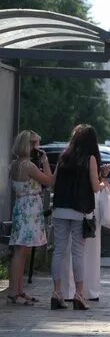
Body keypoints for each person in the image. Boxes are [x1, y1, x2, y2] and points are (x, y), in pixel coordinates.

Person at [50, 124, 110, 311]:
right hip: (79, 211)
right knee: (78, 252)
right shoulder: (90, 159)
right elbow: (94, 187)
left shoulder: (63, 157)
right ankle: (79, 294)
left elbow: (53, 183)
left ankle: (56, 293)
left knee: (59, 251)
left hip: (60, 209)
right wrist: (103, 180)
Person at [6, 131, 53, 305]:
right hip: (30, 209)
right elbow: (49, 181)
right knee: (22, 251)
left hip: (21, 207)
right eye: (36, 144)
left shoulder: (15, 164)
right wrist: (45, 161)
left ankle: (18, 289)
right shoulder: (29, 166)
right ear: (30, 145)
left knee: (22, 250)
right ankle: (14, 290)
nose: (38, 147)